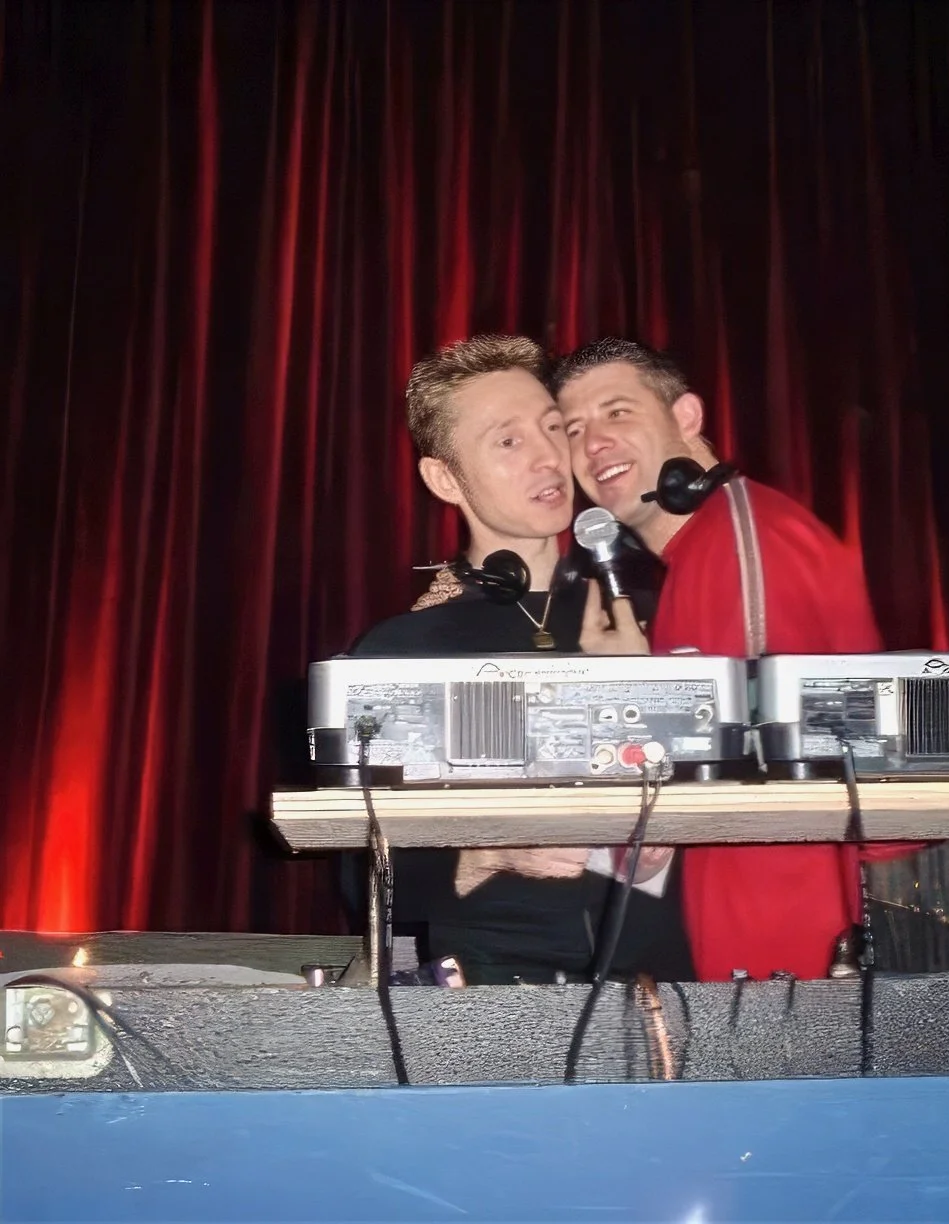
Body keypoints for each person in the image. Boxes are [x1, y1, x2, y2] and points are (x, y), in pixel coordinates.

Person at [554, 336, 912, 982]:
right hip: (746, 939)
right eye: (574, 428)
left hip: (797, 943)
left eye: (617, 412)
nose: (593, 443)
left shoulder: (749, 538)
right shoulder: (695, 554)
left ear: (687, 418)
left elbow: (783, 776)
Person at [348, 334, 692, 986]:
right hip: (482, 1002)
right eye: (509, 442)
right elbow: (359, 872)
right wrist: (476, 853)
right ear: (443, 478)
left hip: (663, 997)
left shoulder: (656, 612)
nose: (548, 458)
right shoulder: (402, 650)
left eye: (552, 429)